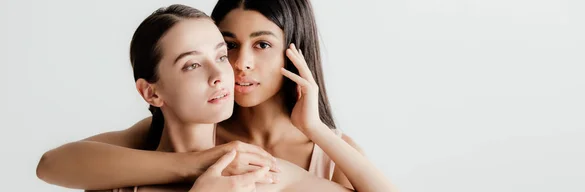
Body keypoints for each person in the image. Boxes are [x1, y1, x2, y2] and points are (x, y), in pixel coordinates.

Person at [37, 1, 398, 192]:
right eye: (229, 46)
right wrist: (197, 163)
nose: (239, 65)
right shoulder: (166, 132)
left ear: (294, 51)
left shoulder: (269, 169)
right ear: (153, 91)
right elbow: (52, 165)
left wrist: (315, 127)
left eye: (262, 44)